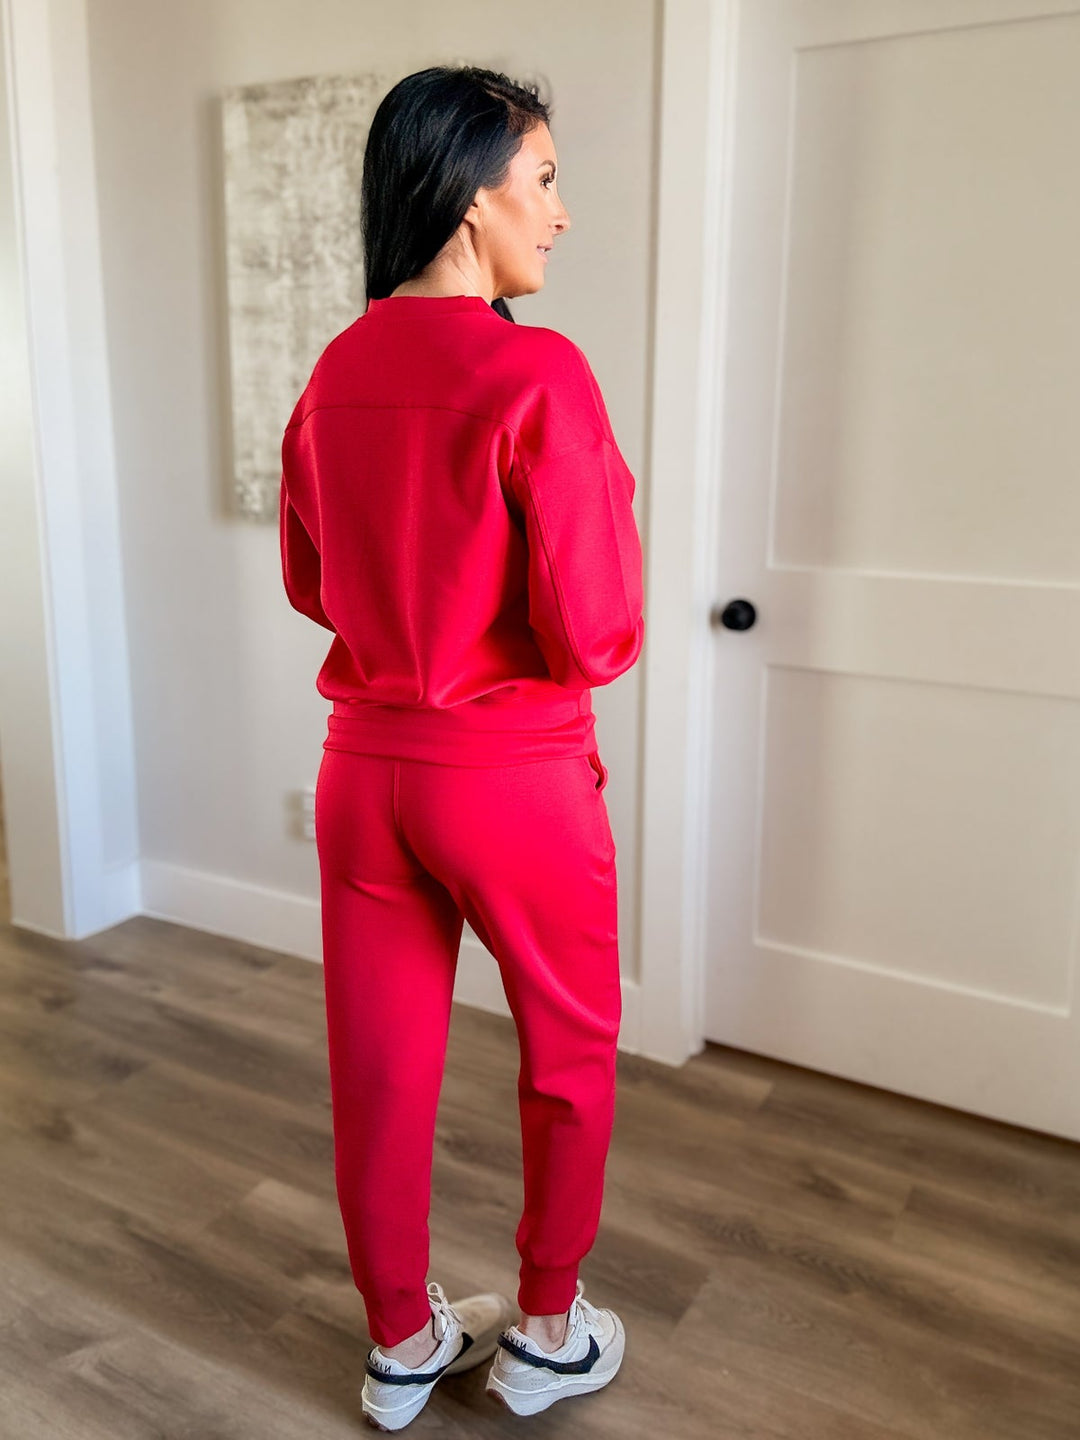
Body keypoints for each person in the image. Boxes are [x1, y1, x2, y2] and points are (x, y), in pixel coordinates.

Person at [279, 63, 644, 1431]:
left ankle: (399, 1340)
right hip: (514, 776)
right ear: (475, 188)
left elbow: (315, 586)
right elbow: (600, 628)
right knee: (566, 1052)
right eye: (543, 180)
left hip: (363, 773)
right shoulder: (536, 371)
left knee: (377, 1061)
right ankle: (548, 1329)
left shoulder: (336, 367)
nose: (558, 214)